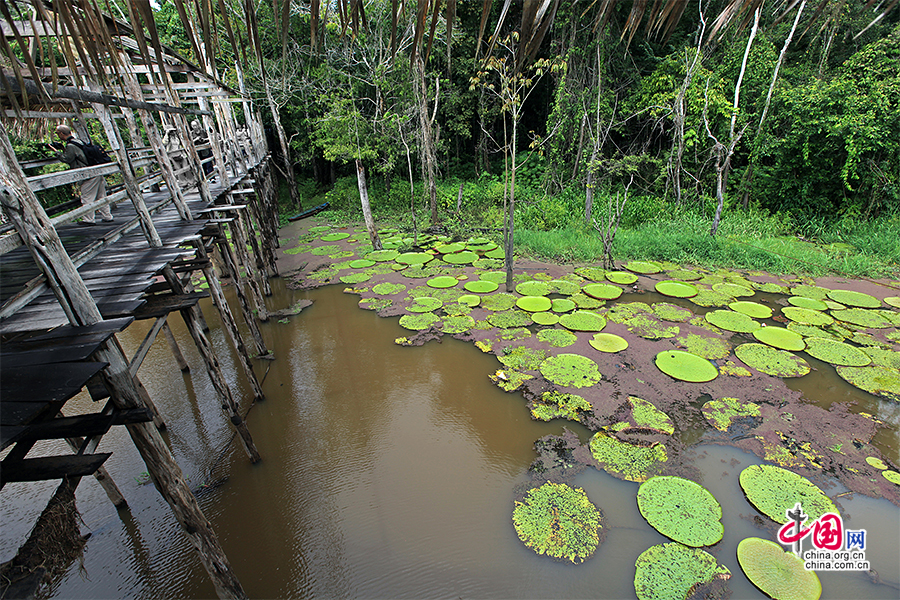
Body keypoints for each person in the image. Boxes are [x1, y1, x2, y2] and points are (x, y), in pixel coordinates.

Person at [51, 125, 113, 224]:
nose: (58, 135)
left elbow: (67, 159)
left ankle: (89, 220)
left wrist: (56, 152)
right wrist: (63, 148)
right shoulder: (78, 141)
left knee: (87, 197)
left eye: (58, 133)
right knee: (101, 195)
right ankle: (107, 216)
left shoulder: (70, 145)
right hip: (96, 170)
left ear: (61, 133)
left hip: (88, 174)